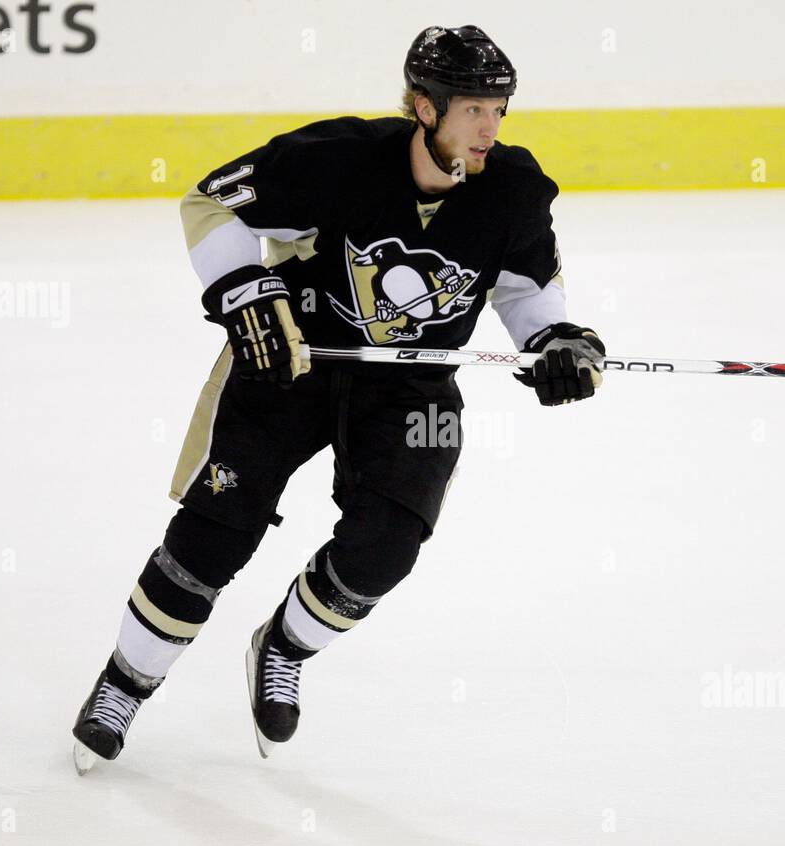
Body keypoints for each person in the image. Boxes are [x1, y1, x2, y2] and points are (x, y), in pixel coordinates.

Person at [70, 24, 606, 771]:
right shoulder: (337, 161)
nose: (491, 127)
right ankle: (123, 684)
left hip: (412, 388)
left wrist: (559, 344)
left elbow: (526, 291)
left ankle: (282, 647)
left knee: (386, 547)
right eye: (474, 110)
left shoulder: (510, 189)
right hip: (290, 366)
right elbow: (208, 203)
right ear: (425, 107)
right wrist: (245, 291)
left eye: (500, 110)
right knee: (214, 535)